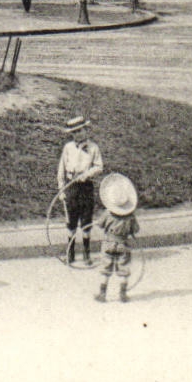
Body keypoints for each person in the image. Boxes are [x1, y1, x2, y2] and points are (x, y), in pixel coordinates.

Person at [57, 115, 104, 265]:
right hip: (71, 186)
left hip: (85, 187)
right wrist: (61, 188)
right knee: (70, 220)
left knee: (86, 220)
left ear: (86, 130)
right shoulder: (68, 147)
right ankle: (70, 254)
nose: (77, 134)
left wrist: (86, 174)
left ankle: (86, 254)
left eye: (80, 131)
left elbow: (99, 166)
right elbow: (61, 168)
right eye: (74, 132)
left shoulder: (93, 148)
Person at [94, 173, 140, 303]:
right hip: (123, 244)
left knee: (105, 269)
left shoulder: (107, 214)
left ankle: (102, 294)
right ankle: (123, 295)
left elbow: (100, 224)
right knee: (123, 269)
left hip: (108, 243)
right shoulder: (130, 216)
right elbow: (136, 229)